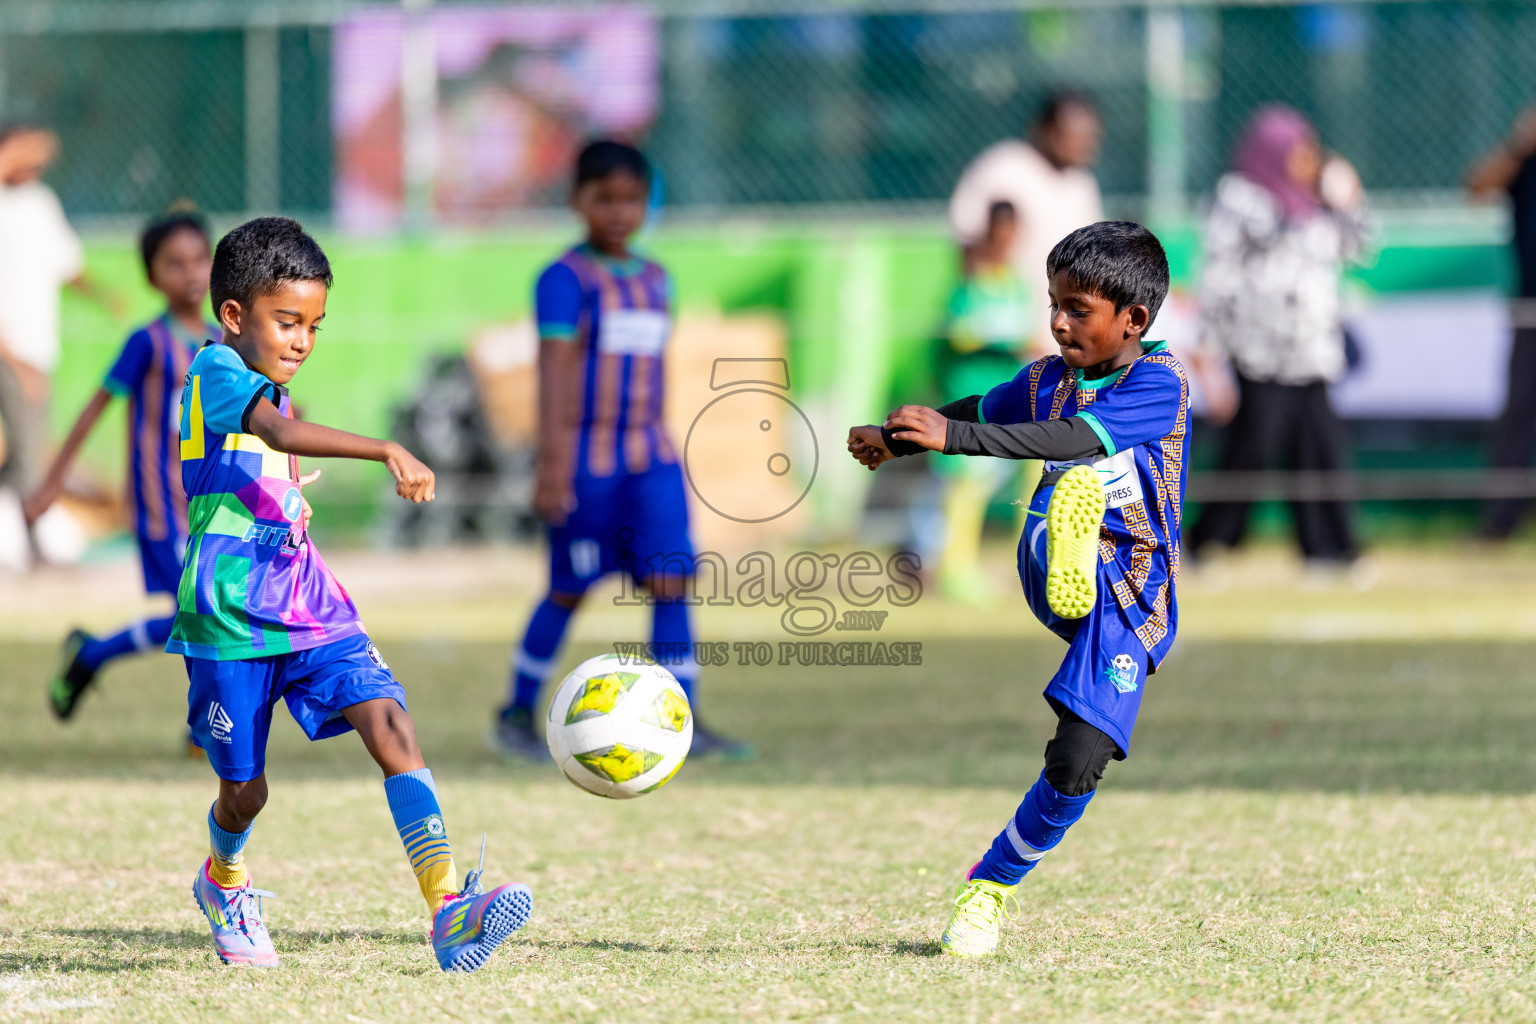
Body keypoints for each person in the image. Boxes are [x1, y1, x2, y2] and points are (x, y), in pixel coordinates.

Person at [175, 217, 530, 971]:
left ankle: (449, 913)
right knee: (245, 794)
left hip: (309, 601)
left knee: (390, 723)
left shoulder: (266, 380)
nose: (302, 340)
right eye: (287, 321)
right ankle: (224, 880)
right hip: (229, 617)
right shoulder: (217, 372)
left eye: (314, 325)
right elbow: (272, 433)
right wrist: (387, 448)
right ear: (234, 316)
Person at [847, 221, 1185, 957]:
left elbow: (1068, 438)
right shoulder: (1045, 378)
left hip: (1134, 593)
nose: (1059, 321)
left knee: (1079, 758)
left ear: (1134, 320)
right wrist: (891, 432)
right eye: (1054, 304)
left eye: (1078, 309)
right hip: (1054, 565)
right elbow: (978, 410)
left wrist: (951, 439)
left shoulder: (1161, 383)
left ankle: (990, 885)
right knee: (1063, 503)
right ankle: (1064, 536)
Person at [492, 140, 749, 761]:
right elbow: (554, 374)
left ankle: (681, 719)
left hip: (651, 460)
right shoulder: (563, 279)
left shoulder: (658, 279)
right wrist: (552, 465)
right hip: (585, 463)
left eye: (631, 199)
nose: (618, 212)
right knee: (569, 586)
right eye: (603, 198)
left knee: (672, 581)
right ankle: (518, 712)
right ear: (578, 200)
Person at [28, 209, 216, 723]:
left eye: (200, 259)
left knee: (205, 615)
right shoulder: (148, 342)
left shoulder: (222, 343)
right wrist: (50, 484)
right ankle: (202, 727)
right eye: (175, 264)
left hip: (210, 506)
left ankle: (92, 655)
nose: (191, 273)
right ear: (153, 276)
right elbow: (94, 411)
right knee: (200, 614)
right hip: (160, 506)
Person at [1185, 106, 1370, 567]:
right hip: (1260, 352)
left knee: (1320, 448)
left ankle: (1331, 548)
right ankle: (1209, 543)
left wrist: (1346, 199)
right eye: (1299, 150)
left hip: (1313, 350)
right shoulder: (1240, 197)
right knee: (1251, 446)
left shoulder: (1316, 200)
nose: (1308, 159)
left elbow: (1360, 247)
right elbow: (1217, 274)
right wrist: (1208, 351)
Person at [0, 124, 117, 502]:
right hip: (10, 349)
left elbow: (66, 263)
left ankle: (23, 531)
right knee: (28, 456)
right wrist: (14, 360)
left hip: (38, 347)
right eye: (27, 152)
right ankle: (25, 534)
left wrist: (103, 295)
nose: (37, 162)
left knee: (27, 451)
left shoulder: (40, 201)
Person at [948, 92, 1104, 355]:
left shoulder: (1083, 185)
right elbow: (969, 247)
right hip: (1009, 339)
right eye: (1072, 133)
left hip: (1065, 335)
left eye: (1088, 135)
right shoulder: (1003, 168)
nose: (1082, 143)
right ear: (1043, 129)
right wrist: (991, 321)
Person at [931, 200, 1032, 601]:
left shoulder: (1015, 282)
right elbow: (958, 334)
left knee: (1017, 476)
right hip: (968, 394)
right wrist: (1002, 337)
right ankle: (955, 571)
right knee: (965, 485)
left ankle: (1023, 564)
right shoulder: (969, 281)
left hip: (1004, 395)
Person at [1468, 105, 1536, 539]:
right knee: (1516, 420)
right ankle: (1500, 523)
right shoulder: (1522, 164)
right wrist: (1519, 145)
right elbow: (1476, 186)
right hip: (1529, 312)